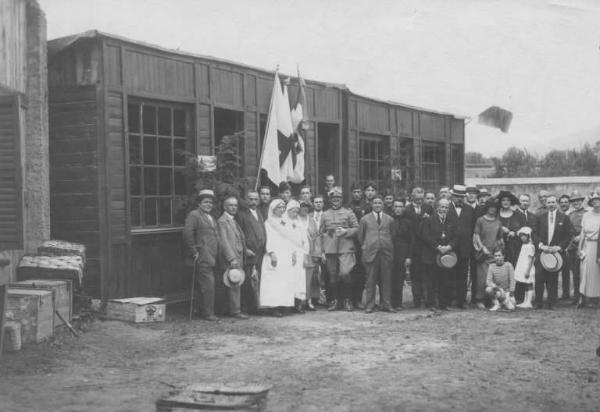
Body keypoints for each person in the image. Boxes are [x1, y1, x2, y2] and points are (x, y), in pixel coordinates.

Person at [319, 187, 359, 311]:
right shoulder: (325, 214)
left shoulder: (349, 212)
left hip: (346, 247)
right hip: (330, 248)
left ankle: (347, 300)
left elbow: (357, 229)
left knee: (345, 273)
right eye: (333, 198)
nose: (336, 200)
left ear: (342, 199)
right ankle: (335, 300)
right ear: (330, 200)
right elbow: (321, 234)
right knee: (332, 275)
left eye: (338, 198)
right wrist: (322, 251)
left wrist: (346, 231)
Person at [183, 189, 220, 321]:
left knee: (205, 285)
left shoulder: (211, 217)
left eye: (210, 202)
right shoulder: (194, 215)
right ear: (199, 203)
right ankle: (208, 313)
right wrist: (194, 251)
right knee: (208, 284)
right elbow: (187, 233)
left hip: (212, 256)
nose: (208, 205)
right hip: (202, 255)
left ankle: (200, 309)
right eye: (205, 202)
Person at [260, 199, 300, 317]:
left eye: (283, 207)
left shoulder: (286, 221)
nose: (282, 209)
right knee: (274, 281)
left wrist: (293, 253)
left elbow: (291, 237)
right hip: (275, 254)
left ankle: (284, 304)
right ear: (273, 209)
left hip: (286, 254)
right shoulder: (268, 222)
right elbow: (268, 238)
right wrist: (271, 253)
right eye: (279, 207)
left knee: (285, 280)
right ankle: (274, 307)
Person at [533, 194, 574, 309]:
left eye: (553, 202)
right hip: (542, 251)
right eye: (549, 202)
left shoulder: (564, 218)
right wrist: (541, 245)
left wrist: (559, 247)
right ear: (546, 204)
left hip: (556, 253)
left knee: (553, 277)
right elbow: (534, 233)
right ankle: (538, 302)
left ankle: (552, 302)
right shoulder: (540, 217)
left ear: (557, 203)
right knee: (539, 276)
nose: (551, 204)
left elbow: (569, 234)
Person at [357, 196, 396, 313]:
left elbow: (392, 235)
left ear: (383, 205)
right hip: (370, 252)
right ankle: (370, 305)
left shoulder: (389, 219)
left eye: (380, 203)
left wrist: (386, 244)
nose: (378, 205)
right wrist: (366, 246)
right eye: (375, 203)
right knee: (370, 280)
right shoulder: (364, 219)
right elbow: (360, 237)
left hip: (385, 252)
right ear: (371, 205)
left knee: (386, 279)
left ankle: (386, 304)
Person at [420, 198, 457, 311]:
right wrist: (438, 247)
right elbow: (426, 236)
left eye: (446, 207)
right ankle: (430, 304)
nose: (444, 209)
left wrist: (449, 246)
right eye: (442, 207)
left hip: (446, 256)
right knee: (431, 281)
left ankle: (443, 304)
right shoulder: (429, 221)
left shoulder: (452, 221)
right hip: (431, 255)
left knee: (444, 280)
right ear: (437, 208)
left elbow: (456, 237)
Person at [217, 196, 249, 319]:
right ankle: (235, 311)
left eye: (235, 205)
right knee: (233, 282)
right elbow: (223, 241)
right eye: (230, 205)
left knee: (234, 283)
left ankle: (230, 309)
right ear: (224, 207)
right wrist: (231, 258)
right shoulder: (222, 221)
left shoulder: (232, 220)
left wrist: (246, 250)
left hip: (238, 255)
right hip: (231, 258)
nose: (234, 207)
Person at [235, 190, 267, 315]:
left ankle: (257, 306)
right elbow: (239, 234)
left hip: (260, 252)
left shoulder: (259, 212)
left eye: (255, 199)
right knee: (248, 280)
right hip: (249, 252)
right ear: (246, 200)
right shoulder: (241, 214)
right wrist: (245, 248)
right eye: (251, 199)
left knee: (258, 279)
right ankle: (246, 307)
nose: (253, 202)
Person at [404, 187, 433, 307]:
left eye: (422, 198)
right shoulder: (407, 210)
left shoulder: (429, 208)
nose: (420, 200)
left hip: (426, 246)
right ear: (412, 197)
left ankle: (427, 300)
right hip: (413, 246)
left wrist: (428, 219)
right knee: (415, 275)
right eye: (417, 198)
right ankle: (416, 300)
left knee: (427, 274)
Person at [473, 198, 504, 309]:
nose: (492, 210)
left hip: (494, 255)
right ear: (487, 208)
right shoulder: (480, 220)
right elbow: (476, 236)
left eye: (494, 208)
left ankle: (492, 299)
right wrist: (482, 248)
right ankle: (480, 300)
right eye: (490, 207)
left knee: (493, 278)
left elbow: (500, 238)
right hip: (483, 254)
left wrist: (499, 248)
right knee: (482, 278)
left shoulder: (498, 221)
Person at [448, 185, 475, 309]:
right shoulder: (446, 208)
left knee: (463, 276)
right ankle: (448, 300)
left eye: (461, 197)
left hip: (464, 248)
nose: (459, 199)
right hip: (450, 248)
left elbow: (473, 229)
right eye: (457, 196)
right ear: (452, 196)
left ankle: (461, 301)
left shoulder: (470, 210)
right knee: (448, 274)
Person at [284, 200, 310, 312]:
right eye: (292, 211)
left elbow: (305, 240)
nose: (295, 214)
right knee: (289, 279)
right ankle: (288, 304)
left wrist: (305, 255)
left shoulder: (299, 223)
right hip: (287, 254)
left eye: (296, 211)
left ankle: (298, 304)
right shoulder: (283, 222)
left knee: (299, 279)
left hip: (299, 255)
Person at [576, 193, 600, 308]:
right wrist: (580, 248)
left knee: (598, 273)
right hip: (588, 245)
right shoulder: (586, 215)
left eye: (598, 199)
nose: (596, 202)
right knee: (585, 271)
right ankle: (583, 297)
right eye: (593, 200)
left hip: (599, 246)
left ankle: (597, 298)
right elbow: (582, 233)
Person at [347, 183, 368, 309]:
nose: (356, 194)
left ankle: (358, 299)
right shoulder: (347, 207)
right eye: (354, 192)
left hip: (363, 243)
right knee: (350, 271)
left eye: (359, 192)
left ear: (362, 193)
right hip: (350, 243)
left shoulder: (367, 207)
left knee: (361, 272)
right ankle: (349, 299)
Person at [299, 200, 322, 310]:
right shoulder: (295, 220)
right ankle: (299, 302)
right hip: (298, 253)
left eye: (307, 207)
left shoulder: (312, 221)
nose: (305, 209)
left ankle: (309, 301)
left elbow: (316, 238)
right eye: (303, 206)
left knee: (309, 278)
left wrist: (317, 254)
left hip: (310, 253)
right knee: (299, 278)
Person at [391, 198, 413, 310]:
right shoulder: (389, 220)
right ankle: (388, 302)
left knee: (400, 278)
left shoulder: (408, 222)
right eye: (396, 206)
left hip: (402, 254)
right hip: (389, 253)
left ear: (403, 208)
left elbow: (410, 241)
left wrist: (409, 256)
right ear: (392, 207)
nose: (398, 209)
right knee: (389, 278)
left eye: (400, 206)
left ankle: (398, 303)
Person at [497, 190, 525, 267]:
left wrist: (515, 233)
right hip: (499, 248)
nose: (506, 202)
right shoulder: (496, 215)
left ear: (511, 202)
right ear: (500, 202)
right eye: (503, 200)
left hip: (514, 248)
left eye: (508, 200)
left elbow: (524, 231)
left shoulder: (518, 215)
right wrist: (500, 228)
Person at [567, 191, 586, 304]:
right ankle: (576, 296)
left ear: (582, 201)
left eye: (578, 200)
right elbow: (568, 230)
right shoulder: (570, 215)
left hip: (584, 246)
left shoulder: (587, 213)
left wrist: (581, 237)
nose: (576, 203)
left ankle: (587, 296)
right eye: (574, 201)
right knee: (575, 273)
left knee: (585, 272)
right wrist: (573, 237)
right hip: (573, 246)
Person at [514, 227, 535, 308]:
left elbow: (531, 259)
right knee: (525, 284)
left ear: (529, 236)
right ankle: (525, 301)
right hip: (522, 266)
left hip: (527, 267)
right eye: (521, 236)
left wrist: (528, 270)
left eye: (524, 235)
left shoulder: (531, 246)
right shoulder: (524, 245)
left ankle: (529, 302)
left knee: (529, 284)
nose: (522, 237)